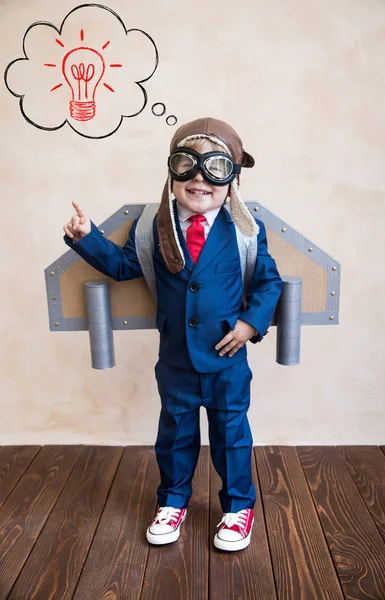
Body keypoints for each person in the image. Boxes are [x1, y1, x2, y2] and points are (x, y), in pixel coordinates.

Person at [63, 117, 282, 552]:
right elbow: (125, 267)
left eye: (215, 169)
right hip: (177, 360)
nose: (200, 179)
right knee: (176, 433)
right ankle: (173, 499)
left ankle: (239, 507)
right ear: (172, 172)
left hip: (227, 360)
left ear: (232, 180)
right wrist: (88, 237)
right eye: (187, 165)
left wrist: (249, 324)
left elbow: (268, 283)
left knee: (231, 434)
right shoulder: (150, 227)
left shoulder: (245, 231)